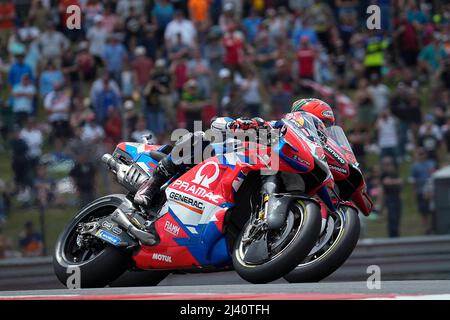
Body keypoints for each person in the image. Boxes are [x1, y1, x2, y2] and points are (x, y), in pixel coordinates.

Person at [134, 116, 269, 209]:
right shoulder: (252, 124)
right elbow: (216, 123)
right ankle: (152, 185)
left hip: (224, 190)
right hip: (206, 167)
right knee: (199, 137)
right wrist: (233, 125)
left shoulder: (274, 144)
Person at [409, 148, 436, 233]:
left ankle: (433, 225)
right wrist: (414, 191)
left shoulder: (431, 163)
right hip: (420, 190)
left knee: (432, 208)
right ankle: (425, 225)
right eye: (419, 154)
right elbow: (412, 180)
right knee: (423, 208)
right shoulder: (414, 166)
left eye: (423, 153)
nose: (421, 155)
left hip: (432, 190)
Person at [380, 156, 403, 238]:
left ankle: (396, 234)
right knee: (392, 217)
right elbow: (385, 183)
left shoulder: (394, 173)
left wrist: (392, 182)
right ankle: (392, 236)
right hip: (389, 198)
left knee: (397, 217)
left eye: (389, 164)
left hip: (397, 197)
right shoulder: (384, 174)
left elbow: (400, 182)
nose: (387, 166)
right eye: (386, 164)